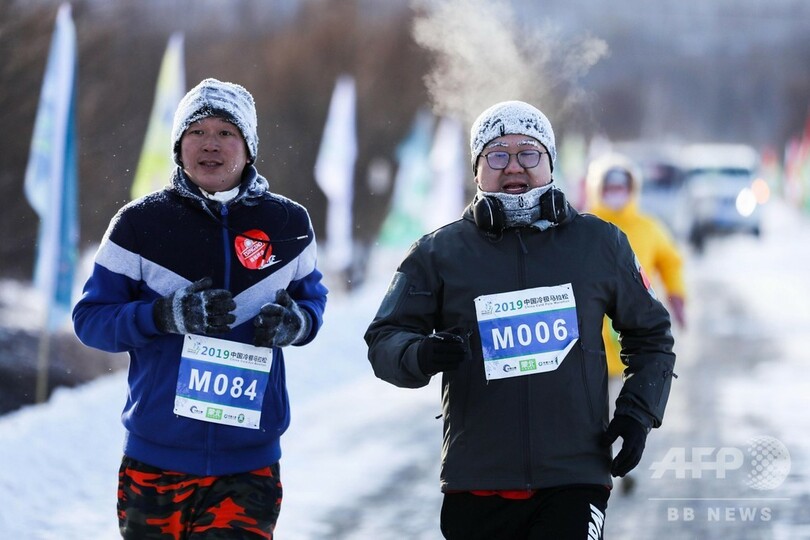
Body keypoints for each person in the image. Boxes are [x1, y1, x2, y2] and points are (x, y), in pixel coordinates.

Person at [364, 101, 676, 539]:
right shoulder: (439, 253)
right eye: (497, 155)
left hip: (573, 478)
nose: (514, 166)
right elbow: (384, 339)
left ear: (550, 163)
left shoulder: (599, 243)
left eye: (528, 152)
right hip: (477, 483)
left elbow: (652, 335)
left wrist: (637, 412)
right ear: (477, 170)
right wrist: (420, 354)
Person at [73, 78, 327, 539]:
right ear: (178, 145)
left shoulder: (289, 223)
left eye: (226, 132)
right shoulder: (138, 224)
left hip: (248, 465)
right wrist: (161, 316)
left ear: (248, 148)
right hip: (156, 459)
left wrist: (298, 323)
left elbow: (313, 299)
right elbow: (91, 321)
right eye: (197, 132)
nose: (210, 144)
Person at [585, 152, 686, 495]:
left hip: (633, 334)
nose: (615, 193)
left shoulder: (648, 227)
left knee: (630, 403)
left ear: (632, 189)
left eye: (621, 187)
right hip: (591, 338)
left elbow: (670, 261)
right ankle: (598, 462)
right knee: (593, 406)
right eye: (609, 187)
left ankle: (627, 462)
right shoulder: (582, 227)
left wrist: (677, 295)